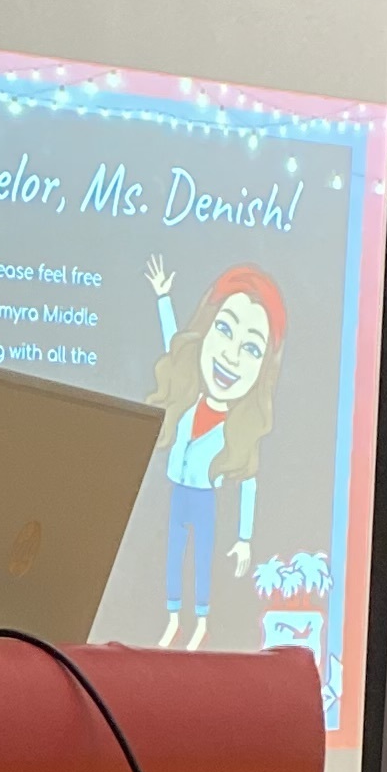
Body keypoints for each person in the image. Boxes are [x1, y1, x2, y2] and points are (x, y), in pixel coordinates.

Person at [146, 258, 287, 649]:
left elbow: (249, 485)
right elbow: (174, 342)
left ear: (264, 368)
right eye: (224, 329)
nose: (231, 355)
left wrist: (244, 538)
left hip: (204, 500)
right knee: (174, 557)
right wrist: (163, 298)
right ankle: (174, 619)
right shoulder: (186, 402)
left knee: (201, 562)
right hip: (178, 493)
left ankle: (201, 623)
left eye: (251, 348)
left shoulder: (238, 430)